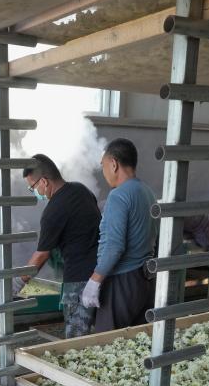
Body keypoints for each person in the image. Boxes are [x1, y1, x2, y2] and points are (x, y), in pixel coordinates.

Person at [15, 154, 101, 338]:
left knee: (76, 338)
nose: (34, 192)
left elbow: (41, 255)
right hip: (100, 275)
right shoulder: (81, 190)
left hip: (78, 282)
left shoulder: (53, 210)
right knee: (98, 334)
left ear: (44, 181)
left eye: (32, 187)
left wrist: (18, 281)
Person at [81, 138, 158, 332]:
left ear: (113, 164)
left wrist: (94, 281)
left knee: (106, 344)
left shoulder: (118, 196)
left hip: (121, 282)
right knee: (135, 342)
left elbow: (114, 247)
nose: (104, 171)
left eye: (103, 165)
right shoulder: (147, 192)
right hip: (145, 280)